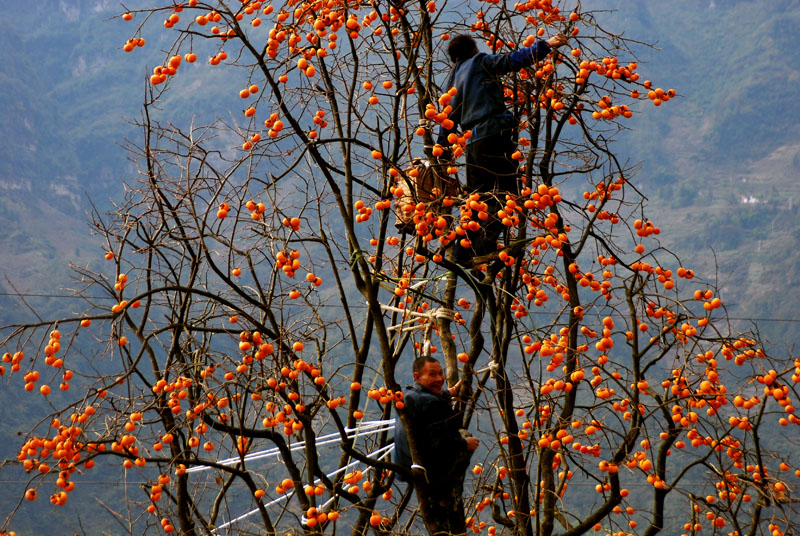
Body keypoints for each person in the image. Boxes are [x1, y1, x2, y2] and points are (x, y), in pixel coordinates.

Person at [437, 33, 568, 262]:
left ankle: (461, 251)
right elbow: (511, 61)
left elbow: (447, 120)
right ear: (472, 50)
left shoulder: (452, 82)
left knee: (478, 198)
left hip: (471, 143)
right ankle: (484, 247)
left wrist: (441, 152)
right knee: (505, 195)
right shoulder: (479, 62)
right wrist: (546, 45)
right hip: (493, 133)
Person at [395, 356, 479, 535]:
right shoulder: (432, 404)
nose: (439, 379)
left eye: (440, 373)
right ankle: (450, 493)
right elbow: (440, 443)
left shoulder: (409, 394)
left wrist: (450, 393)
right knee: (466, 436)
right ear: (417, 377)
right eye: (432, 375)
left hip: (407, 465)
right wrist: (464, 444)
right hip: (430, 471)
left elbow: (430, 400)